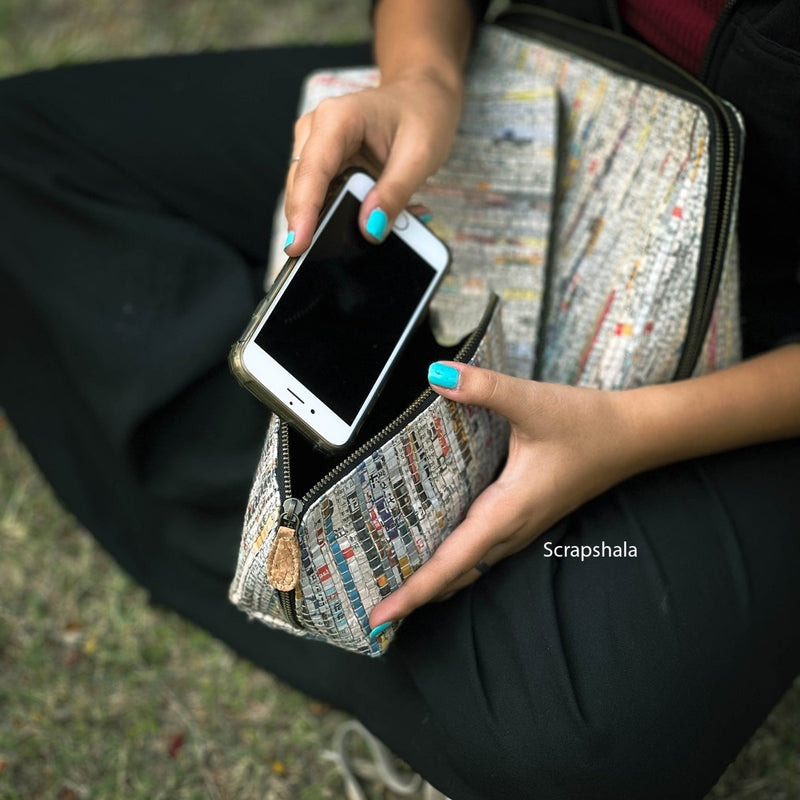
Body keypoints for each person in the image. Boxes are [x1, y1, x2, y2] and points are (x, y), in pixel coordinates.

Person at [1, 0, 799, 798]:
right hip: (507, 108)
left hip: (767, 321)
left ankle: (347, 546)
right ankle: (342, 555)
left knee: (580, 753)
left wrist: (628, 433)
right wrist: (423, 73)